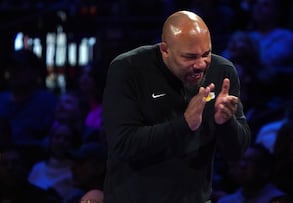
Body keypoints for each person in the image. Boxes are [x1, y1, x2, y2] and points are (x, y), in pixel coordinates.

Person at [102, 10, 251, 203]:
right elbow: (123, 144)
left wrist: (225, 122)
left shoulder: (222, 71)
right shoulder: (128, 69)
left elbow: (236, 152)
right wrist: (184, 124)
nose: (200, 64)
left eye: (206, 54)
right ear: (165, 50)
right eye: (190, 57)